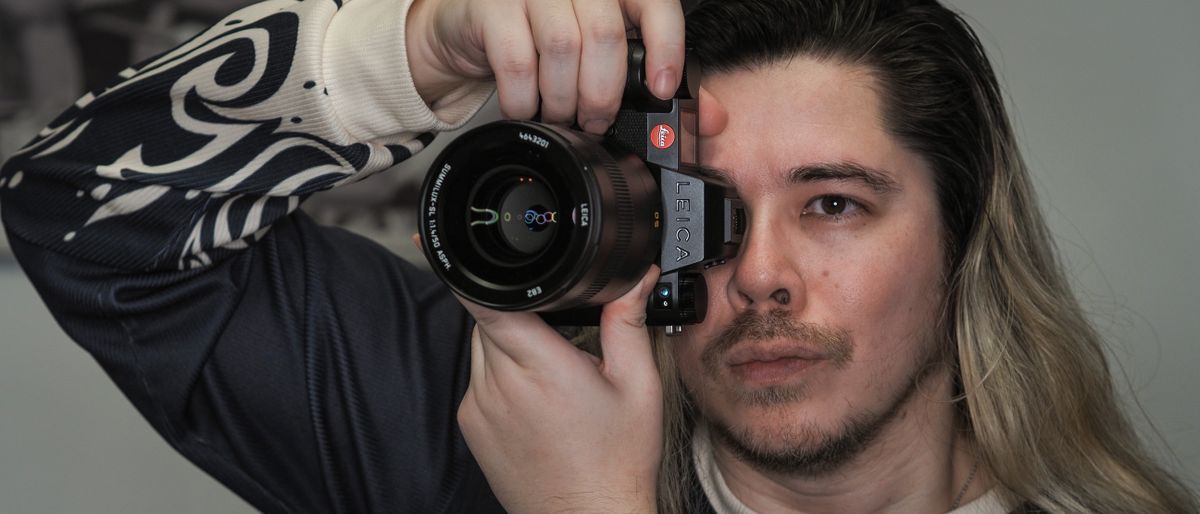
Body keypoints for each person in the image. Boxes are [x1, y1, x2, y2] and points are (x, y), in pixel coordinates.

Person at [0, 0, 1194, 512]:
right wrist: (409, 52)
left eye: (833, 204)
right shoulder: (483, 421)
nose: (761, 273)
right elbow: (76, 208)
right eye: (704, 208)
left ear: (962, 238)